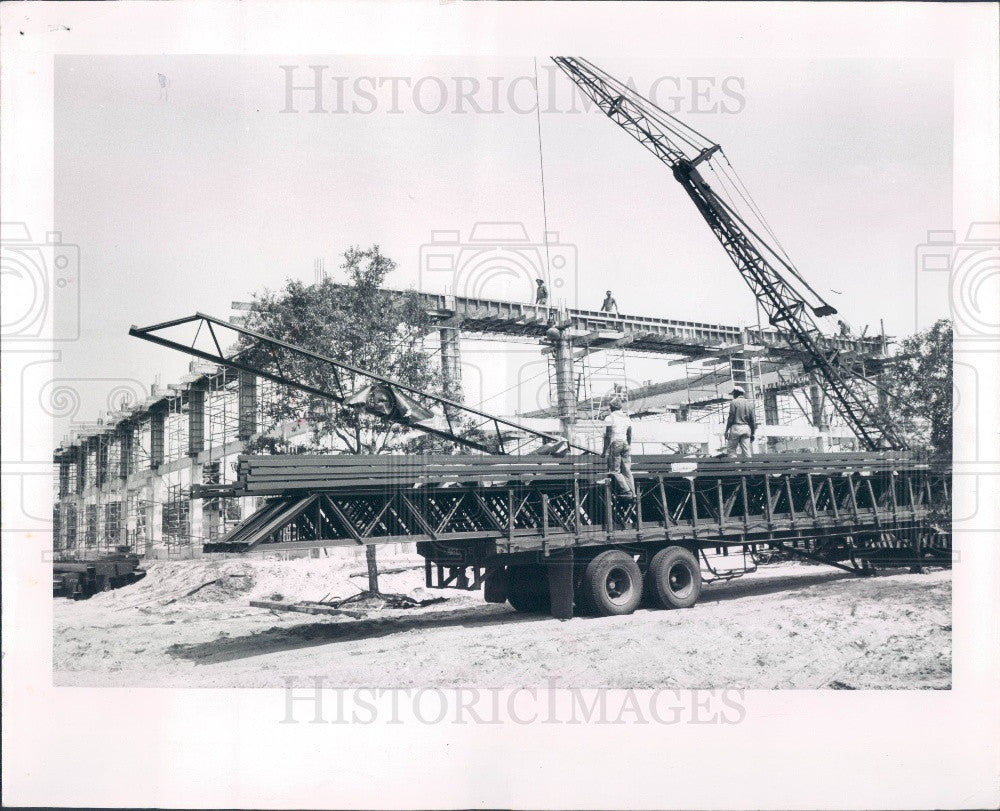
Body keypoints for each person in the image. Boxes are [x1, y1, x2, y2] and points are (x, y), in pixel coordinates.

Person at [602, 397, 635, 499]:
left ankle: (627, 491)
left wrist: (604, 452)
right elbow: (629, 434)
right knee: (627, 470)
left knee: (615, 471)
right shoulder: (627, 418)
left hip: (615, 443)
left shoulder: (609, 418)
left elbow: (608, 436)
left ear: (611, 407)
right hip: (625, 443)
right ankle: (633, 493)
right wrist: (628, 446)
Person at [724, 386, 757, 458]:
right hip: (746, 428)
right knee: (746, 449)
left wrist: (726, 430)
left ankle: (735, 467)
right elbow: (752, 420)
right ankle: (749, 467)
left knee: (731, 449)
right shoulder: (749, 403)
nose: (733, 395)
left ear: (736, 393)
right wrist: (753, 433)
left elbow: (731, 417)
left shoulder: (734, 402)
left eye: (733, 394)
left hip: (736, 427)